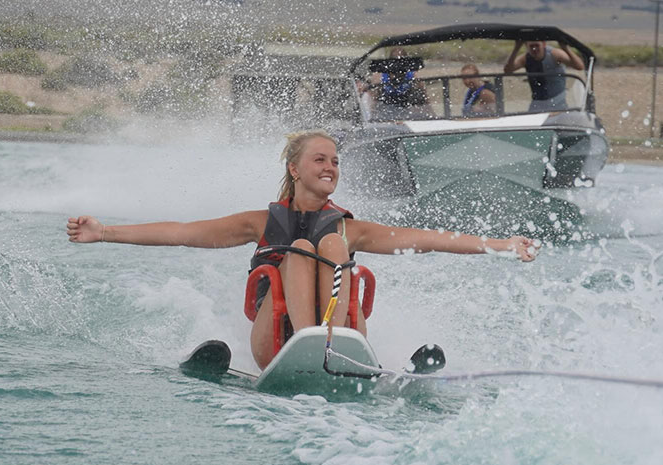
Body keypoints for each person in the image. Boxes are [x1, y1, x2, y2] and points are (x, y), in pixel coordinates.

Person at [67, 130, 538, 370]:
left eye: (335, 160)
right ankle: (309, 345)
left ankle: (335, 345)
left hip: (344, 340)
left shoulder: (348, 227)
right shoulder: (259, 222)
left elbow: (426, 239)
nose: (331, 166)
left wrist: (500, 246)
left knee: (333, 241)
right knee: (295, 246)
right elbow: (184, 232)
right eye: (320, 159)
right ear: (295, 168)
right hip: (276, 344)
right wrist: (106, 232)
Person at [504, 39, 584, 112]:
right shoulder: (525, 58)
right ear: (526, 46)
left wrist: (565, 48)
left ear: (544, 44)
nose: (534, 49)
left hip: (558, 102)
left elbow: (579, 66)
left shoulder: (555, 54)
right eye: (531, 46)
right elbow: (507, 70)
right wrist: (516, 48)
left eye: (537, 46)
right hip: (537, 103)